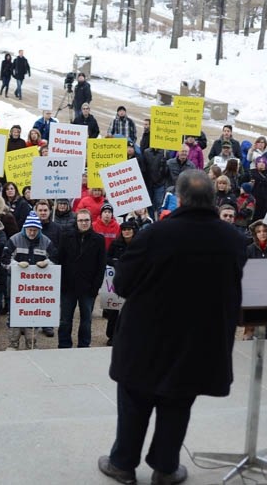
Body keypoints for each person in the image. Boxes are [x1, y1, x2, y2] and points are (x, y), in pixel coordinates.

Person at [98, 170, 247, 485]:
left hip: (145, 338)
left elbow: (122, 284)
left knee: (134, 402)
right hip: (198, 341)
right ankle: (166, 469)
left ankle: (122, 464)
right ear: (213, 199)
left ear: (179, 199)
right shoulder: (232, 239)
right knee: (178, 404)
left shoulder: (155, 235)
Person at [0, 211, 53, 350]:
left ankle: (32, 343)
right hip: (16, 285)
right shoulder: (14, 240)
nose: (32, 233)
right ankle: (13, 343)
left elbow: (56, 258)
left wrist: (47, 263)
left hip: (37, 286)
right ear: (25, 228)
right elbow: (4, 260)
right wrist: (16, 266)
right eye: (30, 230)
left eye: (35, 230)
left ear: (39, 230)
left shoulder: (46, 241)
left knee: (33, 313)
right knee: (15, 313)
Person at [58, 208, 106, 349]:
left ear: (91, 222)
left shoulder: (99, 240)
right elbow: (60, 259)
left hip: (88, 287)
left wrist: (95, 287)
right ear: (76, 221)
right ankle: (64, 345)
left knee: (86, 320)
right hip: (68, 286)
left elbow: (101, 265)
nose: (84, 223)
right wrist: (62, 283)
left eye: (86, 220)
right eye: (81, 220)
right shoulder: (66, 237)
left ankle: (84, 345)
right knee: (65, 320)